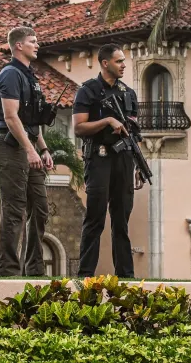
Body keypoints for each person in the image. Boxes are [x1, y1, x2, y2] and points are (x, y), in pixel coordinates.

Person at [73, 43, 144, 278]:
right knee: (95, 218)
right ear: (105, 63)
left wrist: (138, 167)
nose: (124, 65)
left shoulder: (128, 93)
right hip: (99, 158)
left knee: (121, 220)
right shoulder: (88, 91)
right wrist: (107, 122)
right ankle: (85, 274)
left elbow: (134, 132)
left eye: (124, 60)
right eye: (119, 61)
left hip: (124, 159)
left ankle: (125, 275)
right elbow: (79, 127)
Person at [0, 26, 55, 276]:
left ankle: (35, 269)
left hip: (29, 146)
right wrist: (29, 150)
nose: (37, 45)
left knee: (39, 208)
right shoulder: (9, 74)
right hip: (11, 147)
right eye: (33, 41)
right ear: (18, 45)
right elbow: (10, 116)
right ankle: (8, 270)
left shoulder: (30, 77)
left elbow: (31, 120)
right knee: (15, 208)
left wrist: (44, 148)